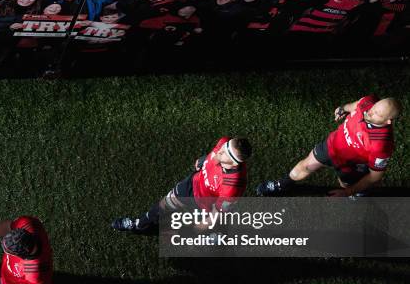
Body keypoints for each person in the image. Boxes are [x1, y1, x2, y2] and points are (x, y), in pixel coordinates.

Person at [257, 95, 401, 197]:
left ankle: (357, 194)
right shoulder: (368, 102)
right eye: (374, 107)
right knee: (304, 166)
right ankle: (281, 185)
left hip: (349, 165)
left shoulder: (382, 144)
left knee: (346, 185)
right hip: (331, 146)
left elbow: (375, 177)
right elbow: (356, 105)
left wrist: (347, 193)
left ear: (388, 121)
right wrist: (343, 108)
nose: (369, 112)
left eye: (377, 114)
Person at [112, 137, 252, 232]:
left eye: (226, 152)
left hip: (203, 206)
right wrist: (204, 161)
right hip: (191, 184)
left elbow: (218, 213)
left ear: (234, 163)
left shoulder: (233, 186)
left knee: (197, 231)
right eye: (224, 146)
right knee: (164, 204)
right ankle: (138, 224)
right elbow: (213, 155)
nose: (220, 150)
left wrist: (204, 225)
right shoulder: (224, 143)